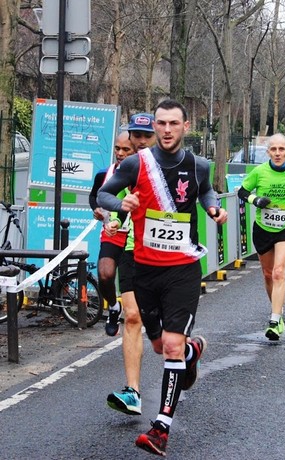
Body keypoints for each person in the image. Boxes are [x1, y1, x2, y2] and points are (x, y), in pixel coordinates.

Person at [98, 99, 227, 457]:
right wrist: (119, 204)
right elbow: (104, 193)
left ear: (186, 127)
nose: (167, 130)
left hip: (183, 269)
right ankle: (193, 350)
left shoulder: (198, 165)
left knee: (170, 345)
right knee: (161, 347)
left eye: (174, 123)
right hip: (144, 269)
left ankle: (160, 429)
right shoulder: (136, 163)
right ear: (154, 127)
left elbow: (206, 191)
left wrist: (213, 208)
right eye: (161, 123)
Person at [105, 113, 157, 417]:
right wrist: (114, 219)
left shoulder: (173, 165)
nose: (139, 141)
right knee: (133, 316)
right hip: (132, 248)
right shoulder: (127, 169)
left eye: (145, 135)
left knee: (166, 336)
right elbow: (119, 201)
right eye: (135, 135)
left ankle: (188, 352)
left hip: (168, 255)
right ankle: (133, 391)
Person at [237, 134, 285, 340]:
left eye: (281, 149)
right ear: (268, 152)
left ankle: (275, 319)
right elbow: (242, 192)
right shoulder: (259, 172)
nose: (277, 153)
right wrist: (256, 199)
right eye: (273, 150)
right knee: (268, 274)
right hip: (263, 228)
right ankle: (277, 309)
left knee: (279, 272)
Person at [89, 130, 134, 337]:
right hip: (112, 231)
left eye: (126, 149)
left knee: (131, 292)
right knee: (105, 274)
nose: (120, 153)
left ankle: (135, 321)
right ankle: (113, 307)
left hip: (135, 237)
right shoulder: (104, 174)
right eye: (117, 148)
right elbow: (94, 196)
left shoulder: (143, 176)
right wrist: (96, 209)